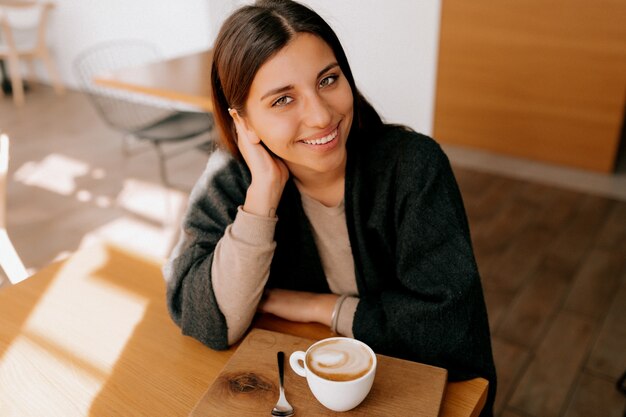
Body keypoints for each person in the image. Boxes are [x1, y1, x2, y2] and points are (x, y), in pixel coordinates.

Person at [163, 0, 496, 414]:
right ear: (243, 122)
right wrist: (262, 197)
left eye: (328, 80)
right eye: (283, 100)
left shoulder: (413, 166)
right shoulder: (231, 178)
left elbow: (449, 331)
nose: (321, 116)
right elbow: (202, 317)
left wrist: (316, 307)